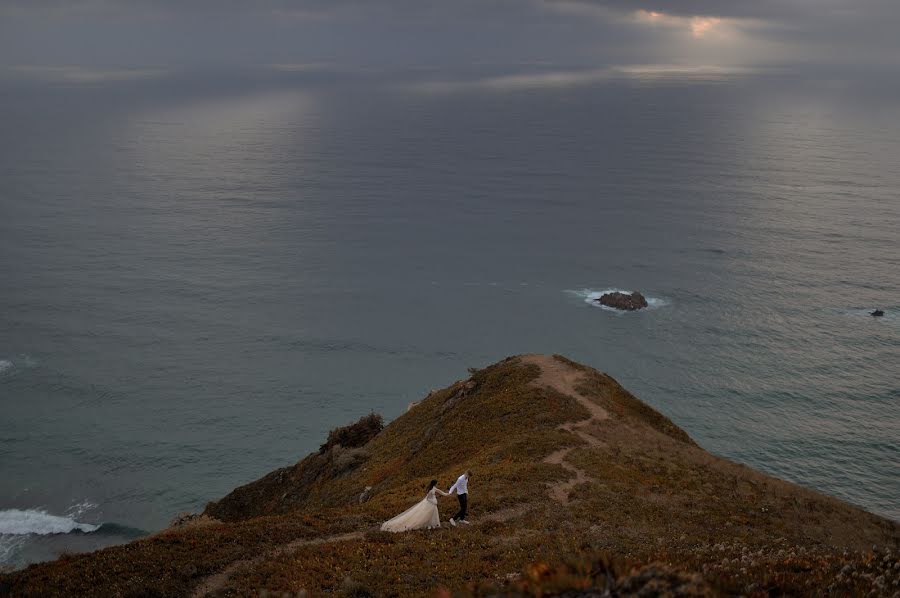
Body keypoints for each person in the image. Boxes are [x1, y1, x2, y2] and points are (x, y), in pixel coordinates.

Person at [380, 480, 449, 532]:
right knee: (426, 514)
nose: (437, 484)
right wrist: (433, 502)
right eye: (436, 483)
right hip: (430, 504)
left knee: (433, 514)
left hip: (433, 504)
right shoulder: (430, 490)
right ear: (434, 483)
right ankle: (430, 525)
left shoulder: (434, 488)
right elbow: (427, 498)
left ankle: (432, 525)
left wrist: (447, 494)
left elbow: (440, 492)